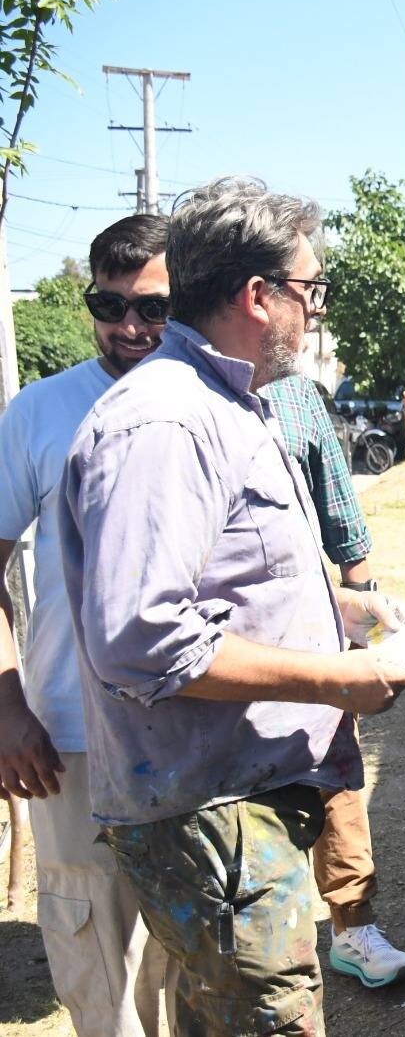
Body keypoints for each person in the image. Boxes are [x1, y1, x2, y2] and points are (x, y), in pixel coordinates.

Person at [57, 177, 405, 1035]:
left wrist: (346, 609)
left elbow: (229, 582)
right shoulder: (167, 421)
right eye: (311, 290)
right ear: (258, 296)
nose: (317, 311)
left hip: (232, 803)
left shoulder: (226, 402)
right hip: (211, 812)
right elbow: (141, 638)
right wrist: (335, 680)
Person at [0, 214, 175, 1035]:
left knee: (185, 951)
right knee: (96, 946)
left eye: (153, 307)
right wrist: (8, 706)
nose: (129, 326)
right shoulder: (39, 412)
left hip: (193, 724)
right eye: (110, 306)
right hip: (69, 732)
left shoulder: (219, 402)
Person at [259, 371, 405, 987]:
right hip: (227, 651)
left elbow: (341, 517)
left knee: (335, 772)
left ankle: (352, 926)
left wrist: (361, 607)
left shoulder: (295, 396)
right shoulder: (168, 398)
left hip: (311, 631)